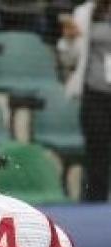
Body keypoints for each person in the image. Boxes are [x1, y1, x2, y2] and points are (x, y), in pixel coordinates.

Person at [58, 0, 111, 202]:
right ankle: (95, 206)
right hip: (95, 94)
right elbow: (68, 59)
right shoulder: (84, 12)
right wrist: (69, 40)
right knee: (97, 154)